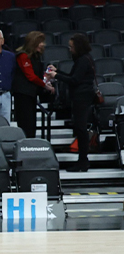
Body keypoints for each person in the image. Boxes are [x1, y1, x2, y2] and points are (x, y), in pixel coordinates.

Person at [52, 33, 97, 172]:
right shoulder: (83, 59)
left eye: (71, 47)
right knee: (79, 129)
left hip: (82, 98)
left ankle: (83, 161)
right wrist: (57, 71)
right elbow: (73, 77)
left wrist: (56, 76)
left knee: (81, 129)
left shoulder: (83, 60)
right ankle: (83, 161)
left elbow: (74, 80)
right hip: (81, 98)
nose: (70, 49)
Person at [12, 31, 54, 139]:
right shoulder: (23, 56)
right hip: (22, 95)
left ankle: (31, 146)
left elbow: (37, 75)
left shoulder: (35, 56)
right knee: (26, 124)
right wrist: (44, 85)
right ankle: (25, 147)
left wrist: (46, 78)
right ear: (33, 42)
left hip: (31, 95)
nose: (43, 44)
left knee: (31, 124)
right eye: (40, 42)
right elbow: (30, 76)